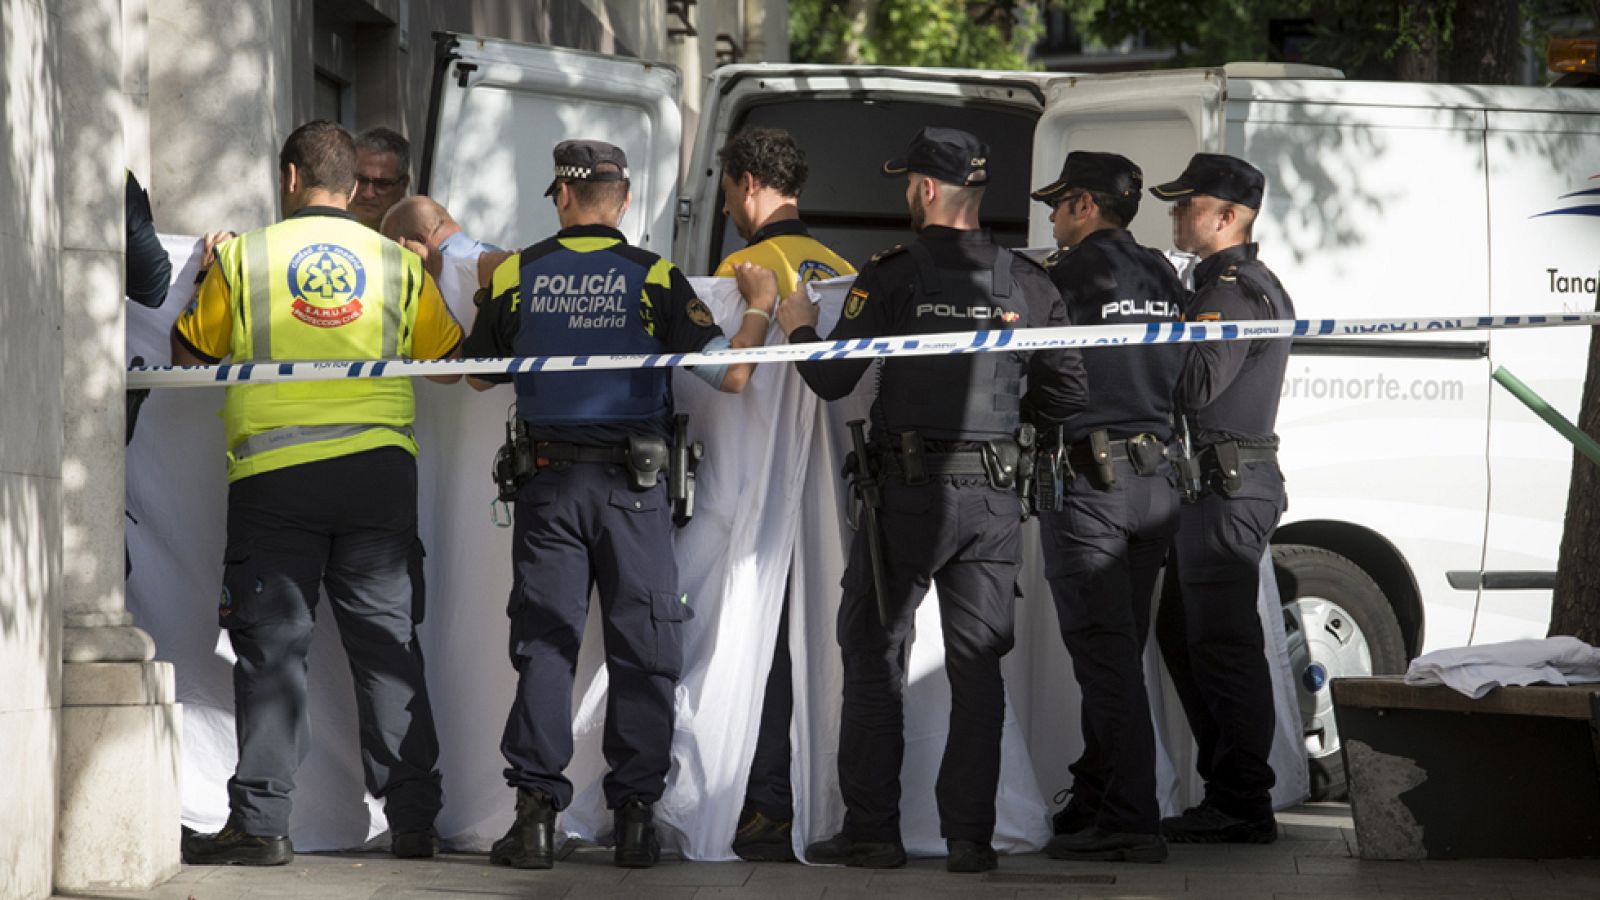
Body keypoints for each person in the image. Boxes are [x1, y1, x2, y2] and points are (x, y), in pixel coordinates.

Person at [762, 126, 1086, 874]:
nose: (905, 193)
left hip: (908, 495)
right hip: (996, 499)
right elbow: (1069, 390)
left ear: (930, 190)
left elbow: (834, 380)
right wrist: (1008, 436)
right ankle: (971, 840)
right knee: (978, 667)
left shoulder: (894, 274)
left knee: (875, 655)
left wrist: (798, 324)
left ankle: (872, 833)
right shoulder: (1031, 283)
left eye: (909, 182)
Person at [462, 139, 776, 871]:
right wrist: (759, 307)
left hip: (547, 489)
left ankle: (536, 820)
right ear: (625, 202)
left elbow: (477, 378)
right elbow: (729, 377)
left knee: (545, 646)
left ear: (562, 198)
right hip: (633, 494)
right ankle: (636, 820)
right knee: (644, 650)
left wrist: (488, 290)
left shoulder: (518, 270)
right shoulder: (654, 275)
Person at [172, 120, 460, 866]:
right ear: (351, 185)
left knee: (272, 654)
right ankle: (416, 821)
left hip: (275, 483)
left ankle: (264, 825)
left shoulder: (245, 258)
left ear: (292, 180)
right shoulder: (397, 266)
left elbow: (187, 355)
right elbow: (452, 362)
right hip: (378, 482)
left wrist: (206, 274)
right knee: (387, 648)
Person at [1027, 152, 1189, 864]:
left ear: (1084, 206)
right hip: (1156, 478)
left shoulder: (1064, 279)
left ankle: (1130, 816)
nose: (1052, 219)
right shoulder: (1164, 274)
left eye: (1057, 206)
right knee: (1118, 650)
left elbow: (1042, 373)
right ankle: (1098, 793)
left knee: (1105, 657)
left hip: (1093, 484)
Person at [712, 125, 855, 863]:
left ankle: (767, 803)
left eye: (730, 189)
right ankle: (817, 795)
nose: (731, 203)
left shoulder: (744, 264)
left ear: (747, 183)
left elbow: (721, 379)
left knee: (759, 644)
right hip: (830, 495)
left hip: (760, 490)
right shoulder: (841, 267)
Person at [1150, 153, 1295, 844]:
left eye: (1187, 204)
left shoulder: (1230, 291)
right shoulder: (1226, 285)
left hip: (1225, 487)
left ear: (1227, 216)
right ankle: (1230, 789)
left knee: (1222, 645)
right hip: (1219, 484)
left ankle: (1243, 800)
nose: (1176, 214)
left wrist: (1141, 345)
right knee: (1186, 635)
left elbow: (1194, 386)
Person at [352, 126, 411, 231]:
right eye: (361, 180)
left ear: (403, 185)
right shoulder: (322, 232)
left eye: (382, 184)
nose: (368, 194)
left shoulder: (416, 240)